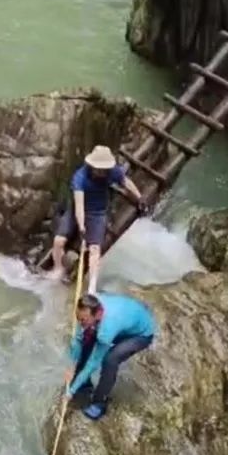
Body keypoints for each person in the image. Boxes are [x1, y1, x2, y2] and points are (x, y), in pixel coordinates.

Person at [50, 146, 146, 295]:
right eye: (98, 169)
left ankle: (92, 287)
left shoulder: (112, 171)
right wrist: (81, 226)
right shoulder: (80, 177)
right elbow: (79, 205)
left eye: (104, 169)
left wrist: (139, 198)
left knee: (95, 249)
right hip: (77, 210)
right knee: (58, 241)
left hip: (98, 213)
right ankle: (58, 269)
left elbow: (126, 182)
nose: (101, 172)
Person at [65, 292, 155, 421]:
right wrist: (72, 366)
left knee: (110, 359)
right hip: (124, 320)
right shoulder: (91, 305)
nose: (80, 323)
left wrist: (71, 392)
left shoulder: (106, 329)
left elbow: (93, 363)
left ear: (97, 315)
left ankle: (99, 402)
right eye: (78, 318)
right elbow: (78, 339)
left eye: (83, 320)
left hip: (140, 334)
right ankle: (84, 383)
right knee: (87, 338)